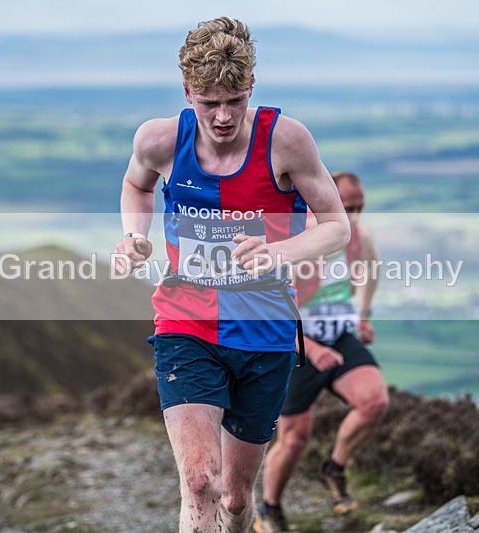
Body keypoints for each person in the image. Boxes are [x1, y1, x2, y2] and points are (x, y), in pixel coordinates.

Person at [113, 17, 350, 533]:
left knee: (238, 499)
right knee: (201, 481)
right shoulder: (158, 140)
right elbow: (136, 186)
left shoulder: (286, 140)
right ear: (187, 92)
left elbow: (337, 227)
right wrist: (135, 236)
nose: (222, 116)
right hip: (185, 325)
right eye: (208, 101)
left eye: (235, 100)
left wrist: (281, 252)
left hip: (265, 334)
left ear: (252, 89)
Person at [254, 171, 390, 533]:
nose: (356, 215)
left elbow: (371, 270)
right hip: (297, 344)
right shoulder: (299, 239)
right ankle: (270, 509)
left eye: (360, 206)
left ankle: (334, 468)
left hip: (339, 336)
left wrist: (363, 315)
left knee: (374, 401)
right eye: (348, 207)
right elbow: (274, 305)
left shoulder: (357, 236)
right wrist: (310, 348)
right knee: (295, 438)